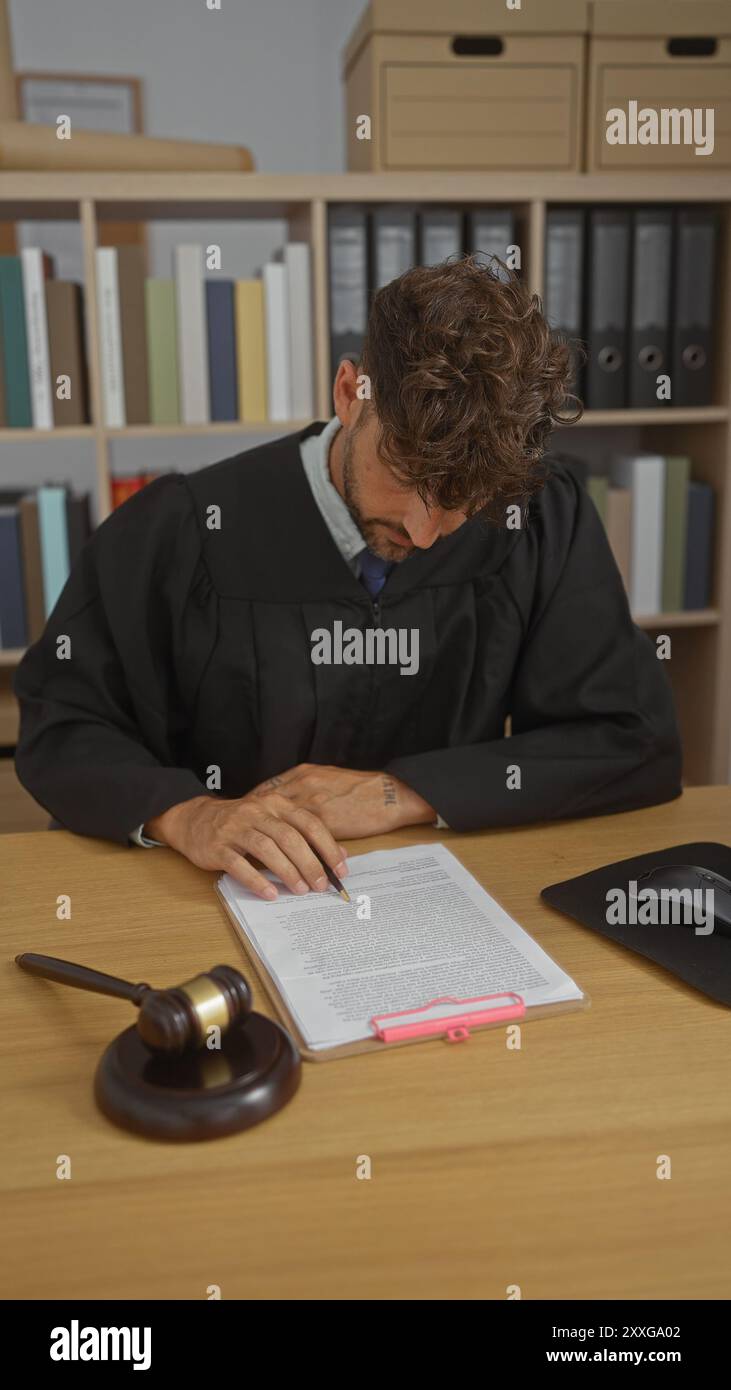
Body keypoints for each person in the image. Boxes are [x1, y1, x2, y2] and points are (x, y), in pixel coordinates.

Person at [14, 257, 682, 900]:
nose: (424, 534)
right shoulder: (181, 529)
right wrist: (187, 815)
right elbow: (64, 725)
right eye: (407, 475)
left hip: (438, 902)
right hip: (216, 901)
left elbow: (629, 739)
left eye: (463, 502)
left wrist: (400, 792)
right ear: (348, 393)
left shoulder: (539, 518)